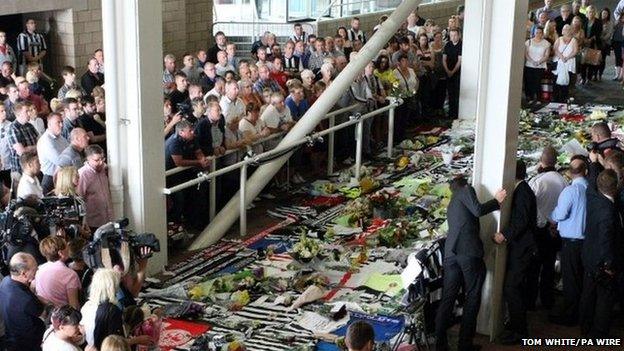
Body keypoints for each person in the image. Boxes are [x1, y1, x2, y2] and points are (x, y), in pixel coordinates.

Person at [435, 176, 506, 351]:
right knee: (472, 297)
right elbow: (477, 210)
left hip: (451, 254)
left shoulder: (452, 203)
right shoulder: (466, 190)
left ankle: (440, 345)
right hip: (468, 254)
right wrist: (496, 201)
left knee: (448, 299)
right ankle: (464, 344)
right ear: (465, 184)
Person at [493, 160, 537, 345]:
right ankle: (515, 325)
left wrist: (503, 235)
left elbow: (521, 221)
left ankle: (520, 331)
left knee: (512, 287)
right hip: (522, 247)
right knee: (514, 287)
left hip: (523, 249)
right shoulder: (522, 190)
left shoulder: (523, 192)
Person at [580, 169, 623, 338]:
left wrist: (595, 163)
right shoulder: (609, 211)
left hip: (588, 256)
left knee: (588, 294)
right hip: (601, 262)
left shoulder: (592, 197)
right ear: (616, 187)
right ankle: (598, 333)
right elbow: (606, 241)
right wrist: (609, 264)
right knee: (604, 299)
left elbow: (592, 184)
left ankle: (585, 327)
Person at [526, 146, 567, 310]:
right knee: (549, 267)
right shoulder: (563, 180)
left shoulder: (537, 181)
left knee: (534, 268)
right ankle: (547, 300)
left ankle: (530, 301)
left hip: (539, 230)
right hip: (555, 230)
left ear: (540, 162)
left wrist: (543, 222)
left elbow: (531, 207)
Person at [549, 157, 588, 326]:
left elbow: (559, 215)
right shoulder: (590, 188)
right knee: (581, 279)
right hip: (586, 242)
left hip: (571, 242)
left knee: (571, 280)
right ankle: (582, 312)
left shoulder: (570, 191)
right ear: (585, 171)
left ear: (570, 173)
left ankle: (571, 316)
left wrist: (550, 218)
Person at [80, 268, 151, 350]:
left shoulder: (87, 306)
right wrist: (136, 340)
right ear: (112, 287)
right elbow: (114, 344)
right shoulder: (112, 311)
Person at [0, 252, 45, 351]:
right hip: (30, 343)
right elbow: (41, 312)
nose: (37, 270)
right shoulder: (26, 300)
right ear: (23, 273)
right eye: (35, 269)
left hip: (11, 337)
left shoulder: (5, 281)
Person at [35, 236, 81, 309]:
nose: (69, 248)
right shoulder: (70, 275)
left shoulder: (39, 269)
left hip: (46, 313)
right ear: (60, 253)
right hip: (63, 316)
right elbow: (74, 306)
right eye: (66, 246)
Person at [78, 145, 113, 233]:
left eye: (102, 159)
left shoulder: (103, 169)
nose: (101, 162)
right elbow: (79, 198)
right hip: (93, 222)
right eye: (97, 160)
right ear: (88, 160)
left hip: (107, 218)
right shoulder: (83, 174)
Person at [37, 113, 69, 194]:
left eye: (62, 122)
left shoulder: (61, 138)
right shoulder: (46, 141)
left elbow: (70, 152)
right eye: (58, 122)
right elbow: (61, 161)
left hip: (63, 177)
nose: (61, 125)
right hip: (51, 179)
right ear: (49, 124)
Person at [7, 102, 38, 179]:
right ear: (18, 114)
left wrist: (29, 148)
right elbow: (22, 152)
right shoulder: (13, 128)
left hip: (34, 166)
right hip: (20, 170)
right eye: (27, 111)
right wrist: (36, 147)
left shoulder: (30, 125)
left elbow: (40, 143)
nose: (29, 113)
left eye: (29, 111)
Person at [524, 26, 551, 104]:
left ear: (542, 33)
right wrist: (532, 61)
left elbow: (546, 55)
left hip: (540, 66)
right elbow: (526, 54)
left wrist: (539, 62)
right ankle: (530, 98)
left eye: (540, 33)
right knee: (529, 82)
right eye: (536, 32)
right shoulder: (528, 42)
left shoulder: (546, 43)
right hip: (529, 65)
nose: (538, 34)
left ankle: (539, 98)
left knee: (538, 82)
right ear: (534, 33)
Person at [552, 25, 578, 102]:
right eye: (564, 29)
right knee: (555, 81)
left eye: (568, 29)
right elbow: (555, 49)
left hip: (569, 63)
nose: (566, 30)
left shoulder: (574, 40)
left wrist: (567, 58)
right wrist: (562, 57)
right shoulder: (559, 39)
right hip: (559, 62)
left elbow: (575, 51)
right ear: (562, 31)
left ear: (571, 31)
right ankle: (556, 98)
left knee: (567, 81)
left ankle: (564, 98)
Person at [580, 6, 603, 83]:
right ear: (587, 13)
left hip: (594, 44)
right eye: (589, 11)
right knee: (583, 62)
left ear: (595, 13)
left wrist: (591, 39)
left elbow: (598, 33)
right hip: (584, 44)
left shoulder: (598, 22)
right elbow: (581, 31)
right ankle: (583, 78)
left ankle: (588, 78)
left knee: (591, 63)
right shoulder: (584, 21)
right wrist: (584, 39)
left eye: (593, 12)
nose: (591, 13)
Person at [443, 28, 462, 119]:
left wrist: (453, 71)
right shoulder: (448, 45)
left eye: (455, 35)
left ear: (459, 35)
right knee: (450, 93)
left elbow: (459, 60)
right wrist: (447, 71)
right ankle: (450, 113)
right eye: (451, 36)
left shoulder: (461, 45)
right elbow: (444, 59)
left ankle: (456, 113)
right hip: (448, 72)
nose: (453, 37)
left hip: (458, 73)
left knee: (457, 94)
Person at [598, 8, 614, 81]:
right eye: (603, 13)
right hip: (597, 44)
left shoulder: (610, 23)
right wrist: (600, 38)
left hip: (605, 44)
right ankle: (595, 74)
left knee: (603, 60)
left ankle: (600, 74)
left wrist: (602, 38)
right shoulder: (597, 22)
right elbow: (596, 32)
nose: (604, 15)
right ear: (601, 13)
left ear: (608, 15)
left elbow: (610, 33)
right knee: (596, 58)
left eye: (606, 14)